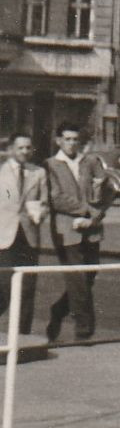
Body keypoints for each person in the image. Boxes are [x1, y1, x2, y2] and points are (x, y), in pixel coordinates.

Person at [43, 124, 116, 343]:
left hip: (91, 229)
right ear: (58, 141)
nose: (72, 143)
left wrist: (95, 216)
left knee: (89, 276)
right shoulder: (51, 165)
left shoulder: (90, 162)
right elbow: (55, 198)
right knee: (77, 279)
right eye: (67, 139)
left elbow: (108, 189)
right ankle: (84, 329)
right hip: (67, 231)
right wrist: (86, 210)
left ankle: (58, 311)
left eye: (75, 139)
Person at [0, 134, 47, 337]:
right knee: (4, 287)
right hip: (4, 236)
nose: (25, 152)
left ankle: (22, 338)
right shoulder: (1, 171)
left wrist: (40, 213)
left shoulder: (38, 173)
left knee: (27, 288)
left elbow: (44, 202)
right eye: (20, 148)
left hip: (29, 235)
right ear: (11, 149)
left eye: (28, 148)